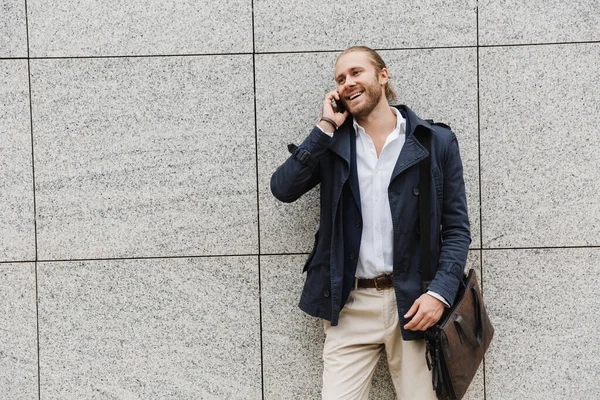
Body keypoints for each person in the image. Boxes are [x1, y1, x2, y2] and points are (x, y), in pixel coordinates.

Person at [270, 46, 470, 400]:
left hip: (413, 303)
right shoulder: (333, 144)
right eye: (340, 79)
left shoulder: (434, 141)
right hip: (349, 305)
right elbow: (283, 189)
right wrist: (325, 126)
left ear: (382, 74)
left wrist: (439, 293)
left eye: (356, 72)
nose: (347, 82)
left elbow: (456, 229)